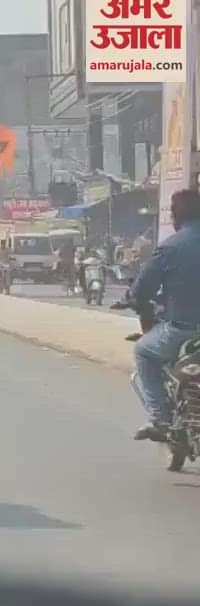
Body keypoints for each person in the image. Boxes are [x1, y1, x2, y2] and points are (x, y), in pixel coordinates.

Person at [130, 189, 200, 442]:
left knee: (143, 352)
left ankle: (160, 417)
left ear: (176, 214)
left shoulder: (171, 246)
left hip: (183, 329)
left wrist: (136, 300)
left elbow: (142, 289)